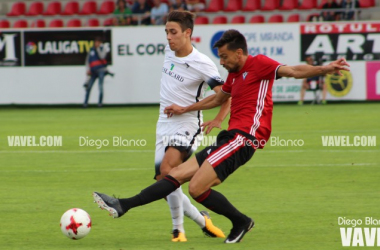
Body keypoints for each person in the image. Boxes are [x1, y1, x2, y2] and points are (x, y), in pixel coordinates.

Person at [93, 29, 350, 243]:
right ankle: (123, 205)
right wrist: (186, 109)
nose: (222, 62)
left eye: (225, 57)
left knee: (196, 188)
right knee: (174, 175)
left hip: (246, 137)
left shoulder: (259, 64)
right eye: (220, 57)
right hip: (229, 137)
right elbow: (218, 98)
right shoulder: (234, 76)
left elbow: (293, 71)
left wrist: (325, 69)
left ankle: (240, 221)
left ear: (239, 52)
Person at [83, 36, 113, 108]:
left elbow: (102, 57)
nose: (97, 44)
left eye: (98, 42)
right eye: (96, 42)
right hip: (93, 71)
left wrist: (98, 49)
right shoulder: (91, 50)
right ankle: (85, 103)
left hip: (101, 70)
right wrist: (88, 69)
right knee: (89, 87)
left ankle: (100, 103)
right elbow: (88, 61)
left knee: (100, 87)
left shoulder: (103, 49)